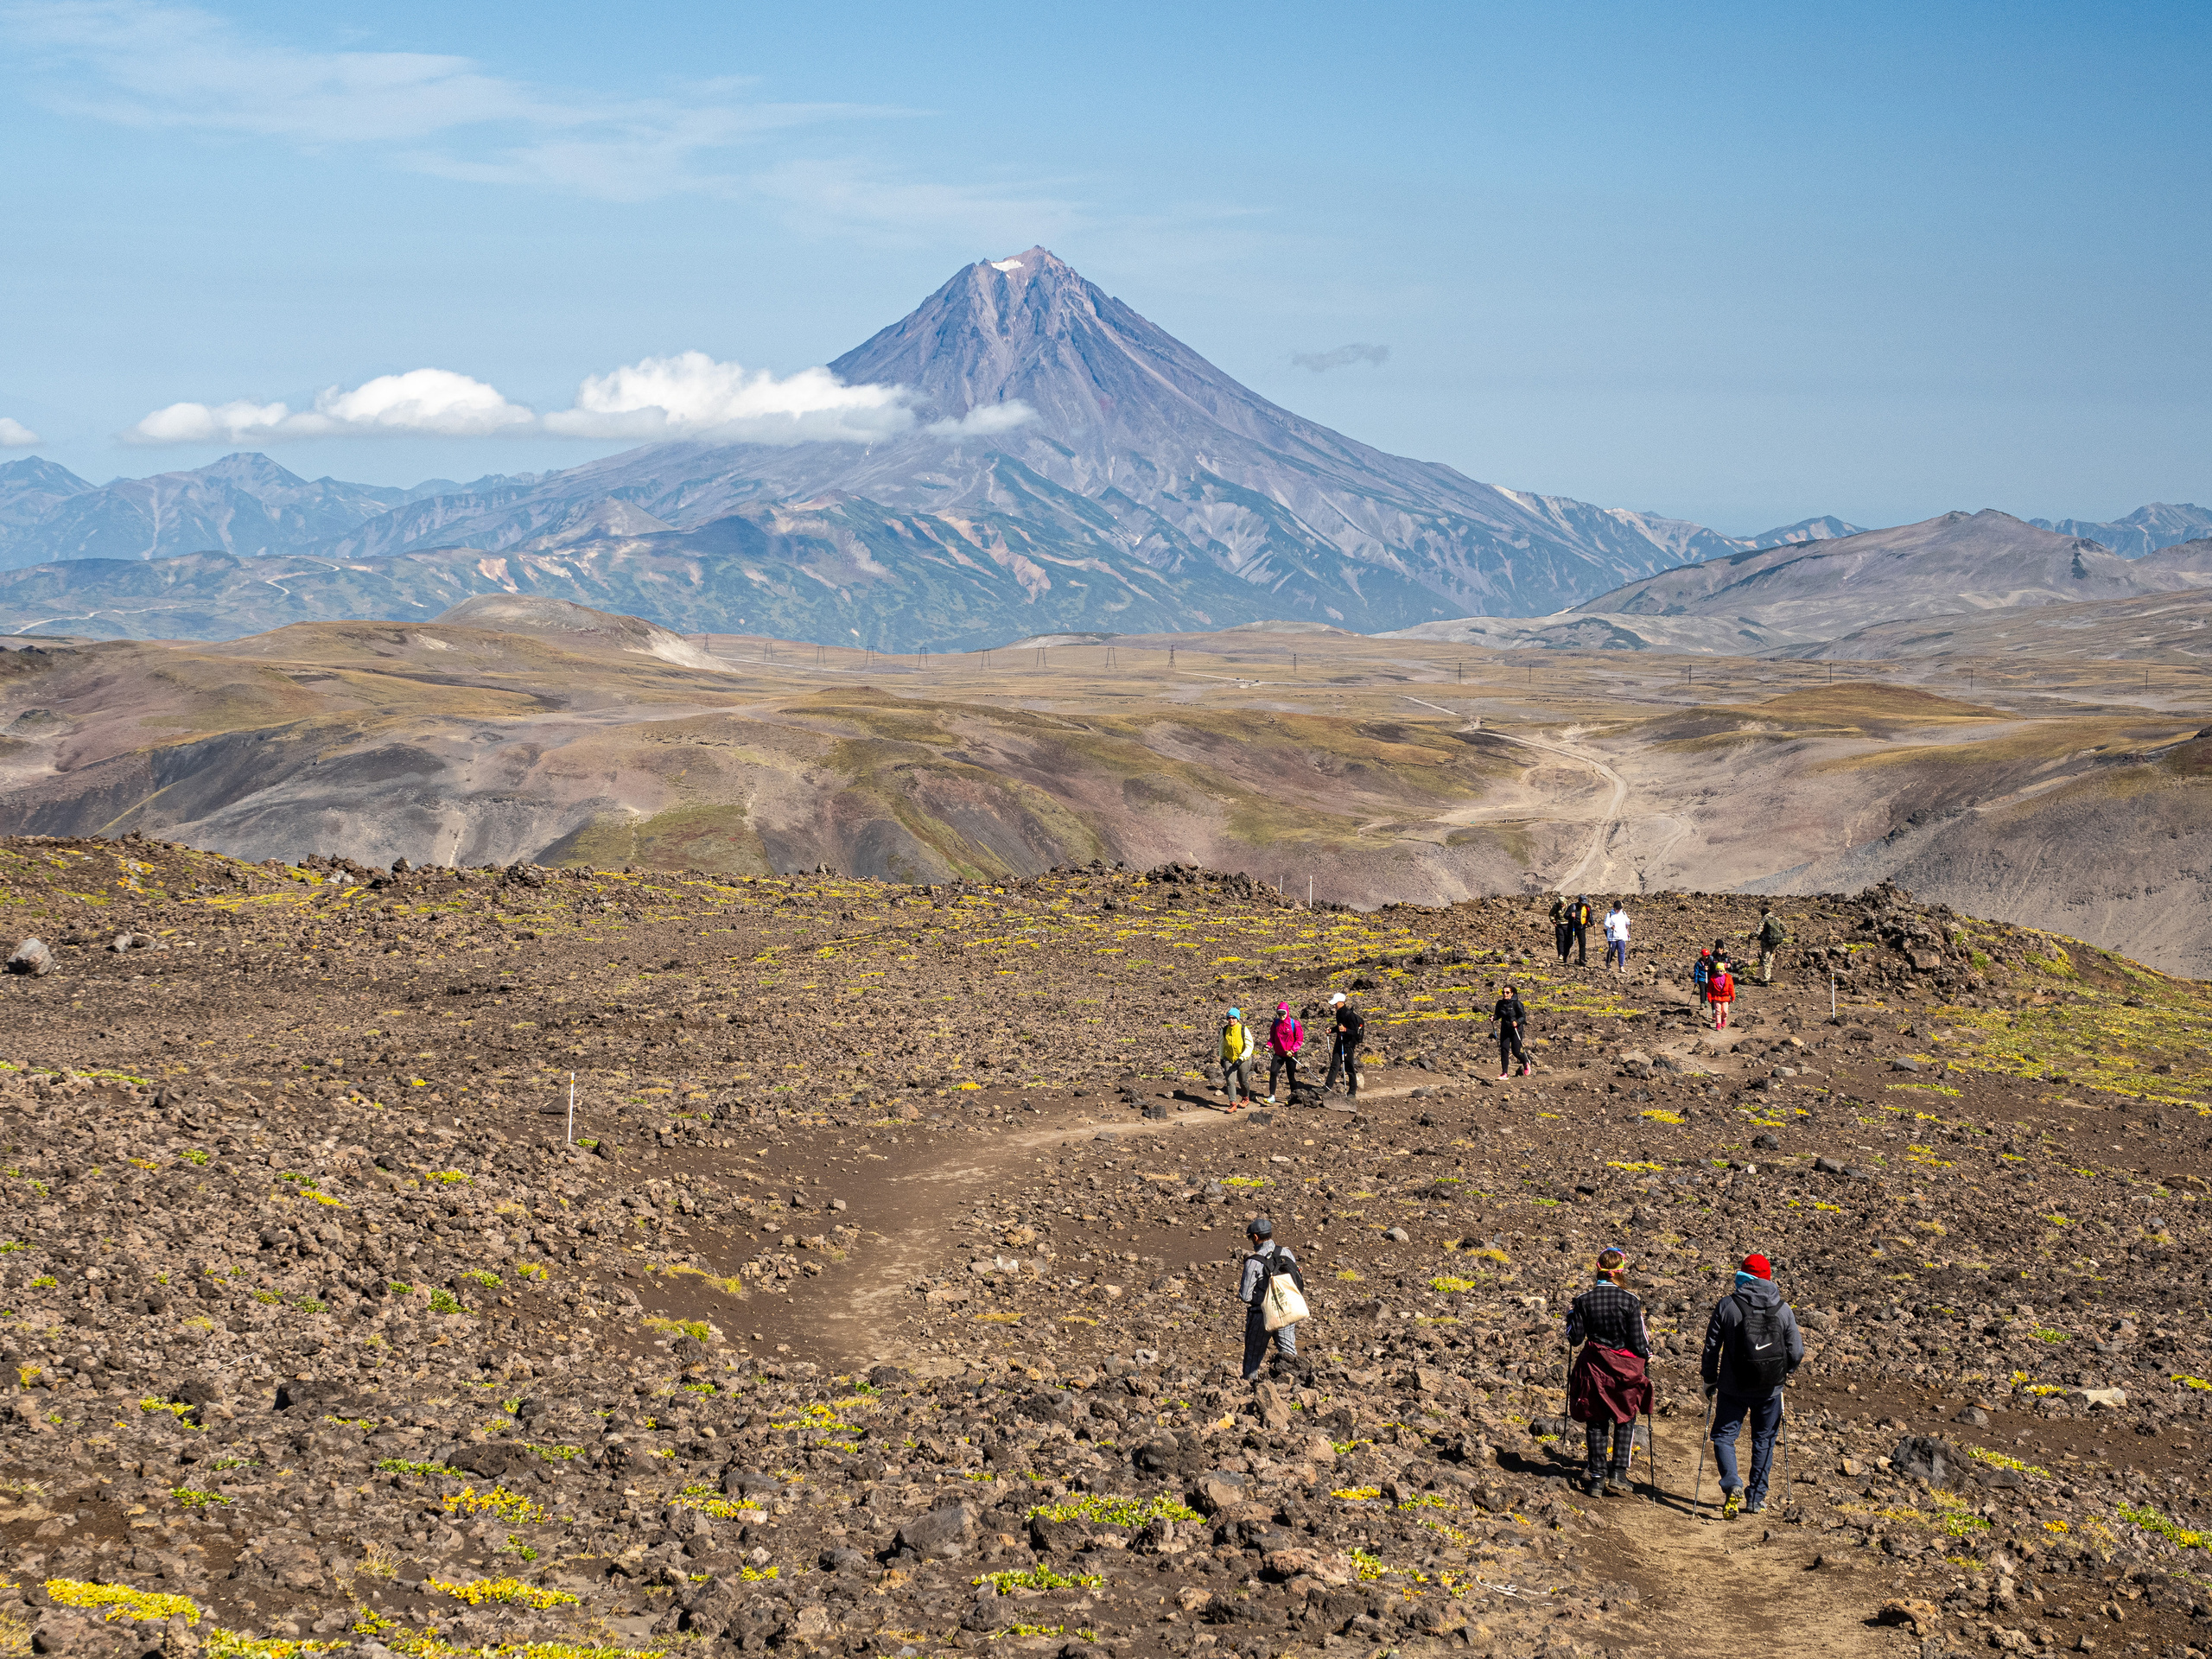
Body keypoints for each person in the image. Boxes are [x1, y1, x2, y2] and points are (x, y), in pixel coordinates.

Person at [1700, 1252, 1804, 1517]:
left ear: (1743, 1276)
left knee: (1724, 1436)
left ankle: (1732, 1483)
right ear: (1769, 1278)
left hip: (1732, 1387)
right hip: (1770, 1388)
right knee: (1764, 1440)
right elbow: (1797, 1351)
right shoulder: (1783, 1308)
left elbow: (1711, 1347)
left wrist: (1709, 1379)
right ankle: (1755, 1499)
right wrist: (1784, 1372)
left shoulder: (1728, 1305)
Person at [1566, 1248, 1654, 1497]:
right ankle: (1618, 1474)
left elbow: (1575, 1339)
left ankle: (1596, 1479)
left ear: (1598, 1269)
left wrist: (1571, 1318)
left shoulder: (1583, 1300)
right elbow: (1639, 1342)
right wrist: (1648, 1355)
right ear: (1620, 1272)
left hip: (1593, 1368)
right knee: (1625, 1417)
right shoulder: (1630, 1301)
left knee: (1596, 1421)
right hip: (1623, 1371)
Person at [1236, 1215, 1302, 1379]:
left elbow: (1245, 1296)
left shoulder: (1253, 1262)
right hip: (1287, 1310)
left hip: (1261, 1315)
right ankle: (1292, 1385)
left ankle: (1248, 1387)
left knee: (1253, 1355)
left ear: (1256, 1237)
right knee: (1288, 1352)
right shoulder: (1286, 1252)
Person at [1323, 992, 1364, 1098]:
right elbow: (1339, 1027)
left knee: (1349, 1067)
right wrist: (1331, 1030)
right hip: (1339, 1042)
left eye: (1335, 1003)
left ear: (1341, 1002)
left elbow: (1355, 1032)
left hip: (1348, 1045)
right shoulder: (1339, 1013)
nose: (1334, 1005)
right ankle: (1327, 1087)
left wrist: (1345, 1030)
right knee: (1334, 1065)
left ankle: (1352, 1092)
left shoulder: (1350, 1015)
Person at [1265, 1001, 1305, 1103]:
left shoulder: (1294, 1023)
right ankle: (1272, 1096)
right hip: (1279, 1053)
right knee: (1273, 1072)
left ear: (1287, 1012)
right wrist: (1268, 1046)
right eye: (1279, 1013)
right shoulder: (1276, 1023)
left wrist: (1293, 1050)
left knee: (1290, 1076)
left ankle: (1294, 1096)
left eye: (1283, 1013)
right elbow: (1272, 1038)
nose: (1281, 1015)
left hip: (1290, 1054)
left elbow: (1299, 1039)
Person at [1492, 982, 1531, 1078]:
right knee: (1504, 1050)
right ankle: (1504, 1073)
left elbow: (1523, 1017)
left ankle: (1525, 1062)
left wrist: (1517, 1022)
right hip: (1505, 1029)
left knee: (1516, 1052)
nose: (1505, 994)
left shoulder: (1517, 1004)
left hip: (1516, 1030)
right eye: (1503, 992)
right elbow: (1498, 1015)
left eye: (1507, 992)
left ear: (1512, 993)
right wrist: (1494, 1018)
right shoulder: (1500, 1003)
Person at [1218, 1007, 1255, 1108]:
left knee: (1243, 1080)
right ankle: (1232, 1103)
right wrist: (1222, 1058)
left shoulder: (1244, 1029)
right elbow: (1221, 1045)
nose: (1231, 1020)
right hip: (1229, 1057)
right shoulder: (1224, 1030)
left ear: (1237, 1019)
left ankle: (1245, 1097)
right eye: (1229, 1018)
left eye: (1233, 1018)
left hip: (1243, 1059)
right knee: (1230, 1081)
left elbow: (1249, 1046)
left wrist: (1241, 1059)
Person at [1756, 907, 1788, 985]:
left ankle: (1766, 979)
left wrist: (1751, 935)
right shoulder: (1776, 919)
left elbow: (1757, 932)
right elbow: (1784, 928)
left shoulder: (1763, 921)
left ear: (1762, 914)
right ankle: (1769, 975)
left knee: (1766, 960)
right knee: (1770, 958)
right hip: (1775, 942)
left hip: (1766, 942)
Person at [1708, 955, 1736, 1031]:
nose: (1719, 972)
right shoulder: (1713, 978)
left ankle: (1724, 1020)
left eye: (1721, 971)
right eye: (1717, 971)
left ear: (1724, 971)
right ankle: (1718, 1024)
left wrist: (1733, 996)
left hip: (1725, 997)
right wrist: (1709, 998)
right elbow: (1710, 989)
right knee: (1718, 1011)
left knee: (1725, 1011)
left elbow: (1731, 988)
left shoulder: (1728, 978)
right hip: (1717, 997)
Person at [1604, 901, 1630, 973]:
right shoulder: (1609, 914)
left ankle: (1621, 967)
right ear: (1614, 908)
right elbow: (1606, 923)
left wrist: (1630, 922)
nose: (1618, 910)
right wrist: (1610, 926)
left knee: (1621, 950)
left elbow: (1627, 921)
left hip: (1621, 935)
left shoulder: (1623, 913)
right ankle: (1608, 963)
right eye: (1617, 909)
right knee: (1612, 950)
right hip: (1612, 935)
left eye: (1619, 909)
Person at [1548, 895, 1573, 964]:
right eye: (1560, 904)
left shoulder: (1569, 907)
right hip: (1559, 925)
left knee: (1568, 940)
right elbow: (1551, 914)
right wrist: (1553, 920)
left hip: (1568, 925)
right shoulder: (1556, 907)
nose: (1562, 905)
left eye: (1562, 904)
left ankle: (1566, 953)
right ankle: (1561, 954)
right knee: (1560, 939)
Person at [1568, 894, 1592, 965]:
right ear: (1579, 901)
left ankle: (1582, 959)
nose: (1583, 904)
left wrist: (1593, 923)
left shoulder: (1587, 907)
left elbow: (1590, 916)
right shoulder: (1573, 906)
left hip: (1582, 927)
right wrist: (1571, 915)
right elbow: (1566, 915)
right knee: (1570, 942)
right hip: (1573, 927)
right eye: (1582, 902)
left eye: (1584, 902)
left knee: (1582, 943)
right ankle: (1565, 955)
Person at [1692, 946, 1714, 1013]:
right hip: (1701, 978)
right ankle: (1702, 1003)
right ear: (1702, 955)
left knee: (1708, 991)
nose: (1706, 957)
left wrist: (1708, 969)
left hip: (1709, 978)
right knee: (1702, 991)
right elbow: (1696, 972)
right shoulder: (1698, 963)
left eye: (1707, 955)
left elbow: (1713, 969)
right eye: (1705, 956)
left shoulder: (1710, 962)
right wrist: (1696, 981)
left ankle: (1706, 1001)